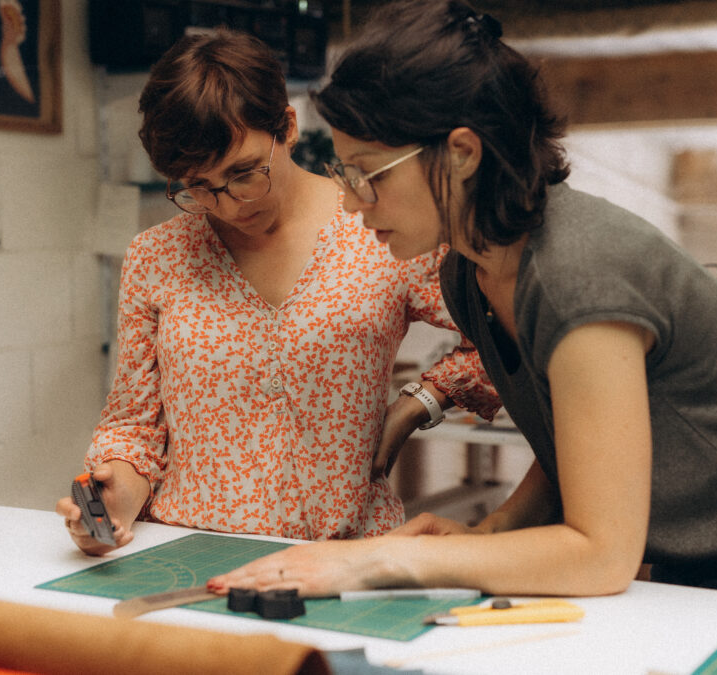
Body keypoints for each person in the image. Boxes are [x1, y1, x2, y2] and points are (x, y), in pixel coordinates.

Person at [209, 0, 717, 607]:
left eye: (369, 175)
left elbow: (601, 554)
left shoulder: (576, 274)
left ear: (462, 152)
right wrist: (497, 528)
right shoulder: (467, 272)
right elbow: (584, 440)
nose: (354, 203)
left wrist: (381, 558)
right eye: (343, 173)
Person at [55, 28, 497, 554]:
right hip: (187, 550)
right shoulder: (159, 255)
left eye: (244, 173)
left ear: (286, 127)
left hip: (342, 553)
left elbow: (501, 338)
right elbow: (134, 424)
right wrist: (112, 503)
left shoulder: (378, 228)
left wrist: (416, 405)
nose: (230, 205)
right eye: (198, 186)